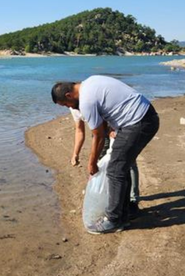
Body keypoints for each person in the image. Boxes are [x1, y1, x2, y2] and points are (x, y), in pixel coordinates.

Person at [52, 76, 159, 234]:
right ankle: (128, 211)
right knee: (122, 166)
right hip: (144, 117)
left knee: (115, 170)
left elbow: (99, 136)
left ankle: (113, 219)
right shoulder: (90, 82)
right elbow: (103, 123)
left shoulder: (86, 101)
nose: (69, 107)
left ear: (69, 95)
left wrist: (92, 163)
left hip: (138, 122)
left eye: (65, 104)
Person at [69, 107, 141, 214]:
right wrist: (75, 153)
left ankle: (132, 200)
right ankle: (109, 196)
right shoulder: (73, 107)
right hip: (98, 131)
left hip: (118, 126)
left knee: (128, 162)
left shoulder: (90, 98)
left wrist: (113, 128)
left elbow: (116, 109)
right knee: (102, 163)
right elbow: (79, 130)